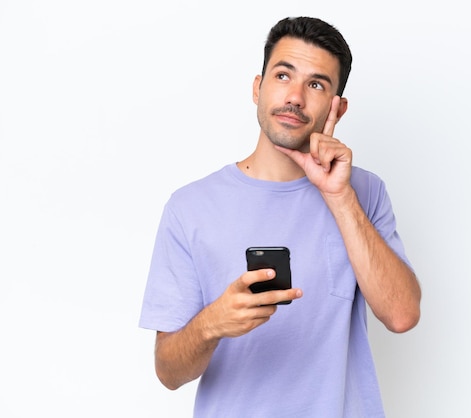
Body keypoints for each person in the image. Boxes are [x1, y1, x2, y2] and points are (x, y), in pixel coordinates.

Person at [139, 16, 421, 417]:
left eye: (317, 84)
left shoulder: (363, 193)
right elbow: (168, 371)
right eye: (283, 75)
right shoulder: (190, 208)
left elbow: (401, 314)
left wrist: (339, 197)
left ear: (336, 107)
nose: (295, 97)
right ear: (258, 88)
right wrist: (211, 324)